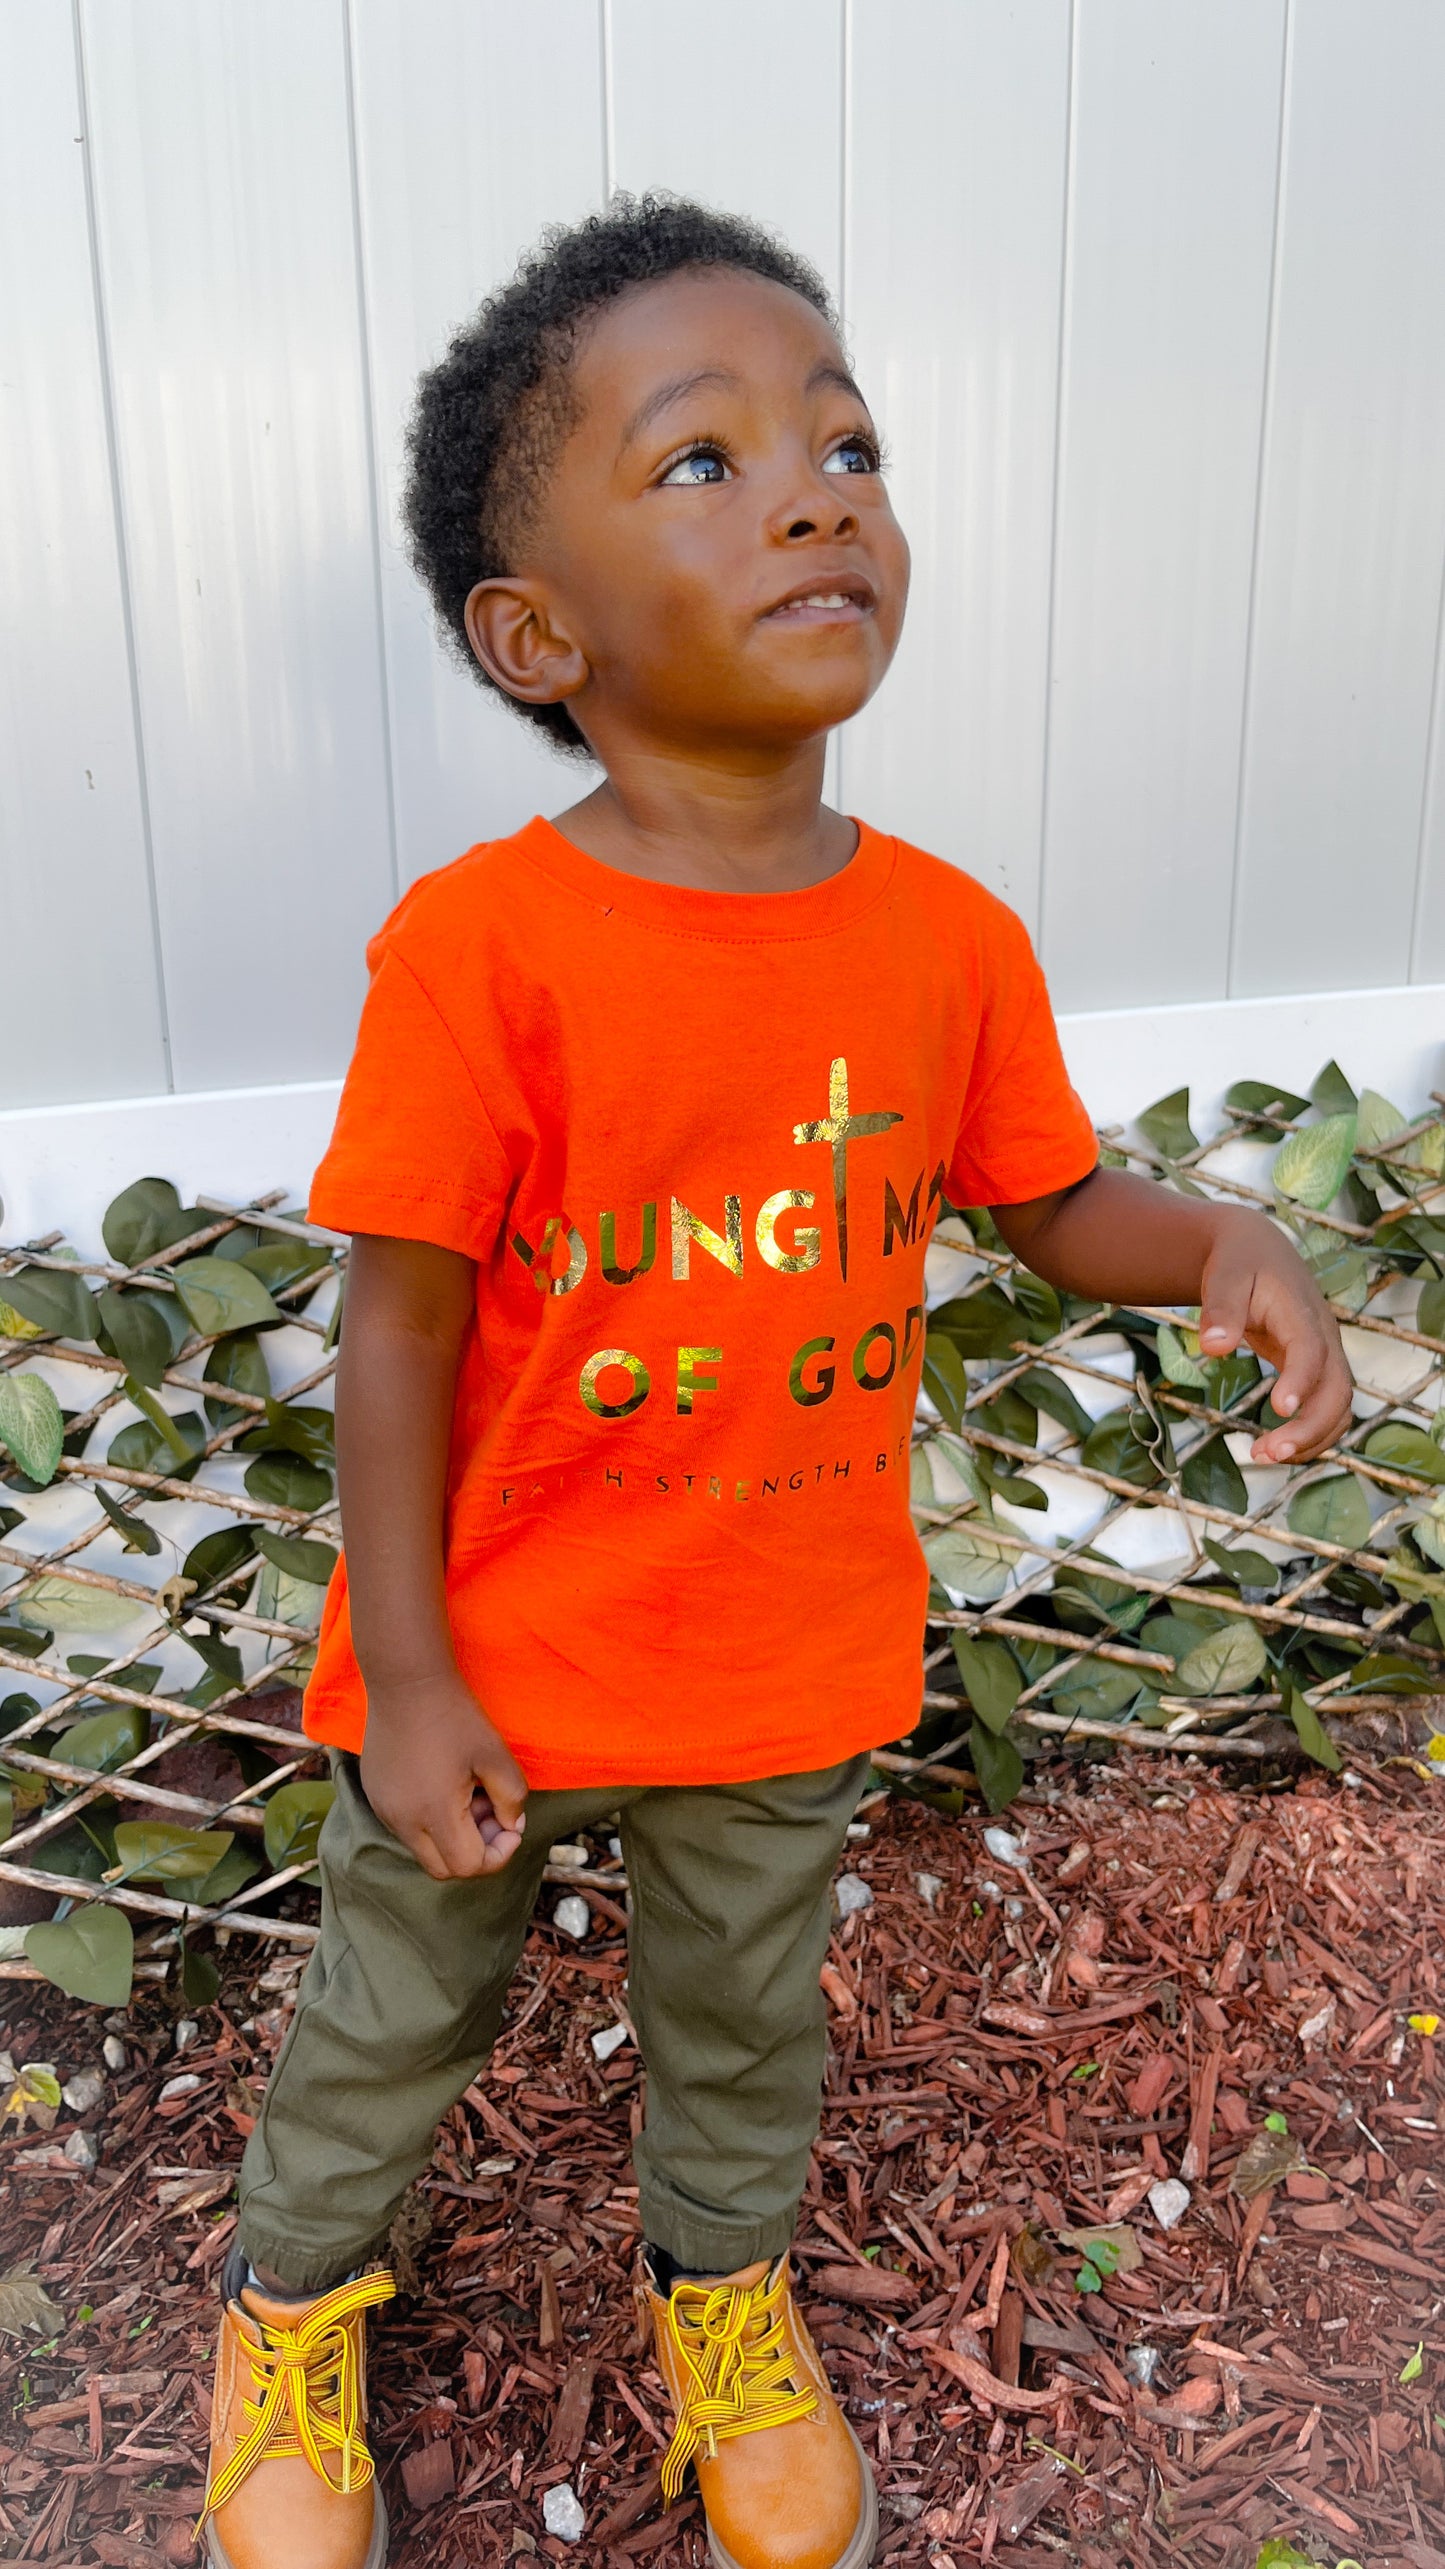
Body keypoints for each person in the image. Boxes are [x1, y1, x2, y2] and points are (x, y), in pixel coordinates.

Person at [198, 196, 1352, 2569]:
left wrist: (1220, 1237)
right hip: (501, 1663)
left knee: (747, 2028)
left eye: (846, 438)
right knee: (392, 2020)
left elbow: (1040, 1208)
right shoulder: (482, 953)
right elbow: (398, 1321)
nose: (818, 488)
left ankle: (719, 2291)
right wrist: (402, 1672)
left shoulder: (947, 940)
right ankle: (289, 2308)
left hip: (783, 1659)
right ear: (541, 635)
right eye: (702, 461)